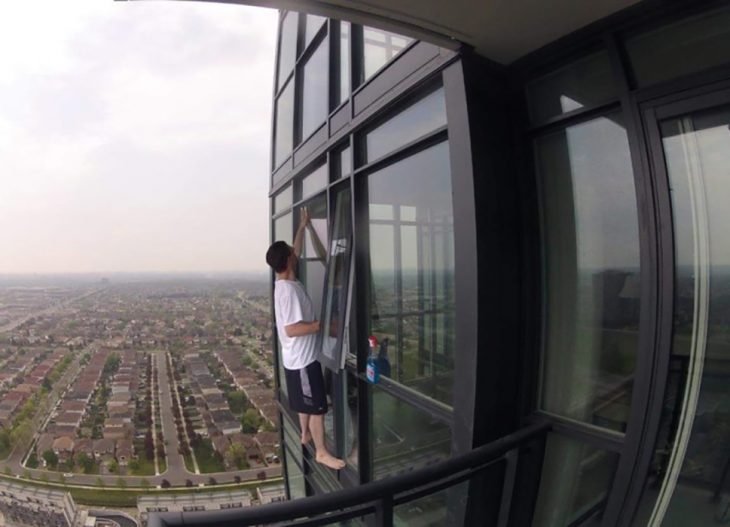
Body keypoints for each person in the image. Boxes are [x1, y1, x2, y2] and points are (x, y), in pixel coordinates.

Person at [266, 209, 346, 471]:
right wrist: (321, 325)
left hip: (296, 360)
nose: (295, 253)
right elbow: (290, 329)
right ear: (289, 260)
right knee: (317, 407)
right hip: (303, 361)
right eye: (292, 252)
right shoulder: (287, 292)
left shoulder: (285, 280)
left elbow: (296, 249)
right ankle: (322, 452)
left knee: (303, 401)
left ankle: (304, 434)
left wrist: (302, 227)